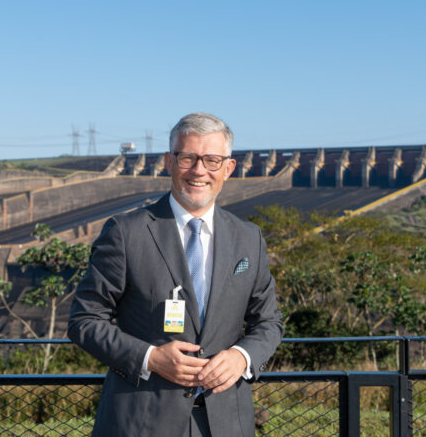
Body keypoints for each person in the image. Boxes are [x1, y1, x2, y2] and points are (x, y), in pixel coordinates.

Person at [68, 112, 283, 437]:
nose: (199, 171)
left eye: (211, 160)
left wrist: (241, 357)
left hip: (226, 423)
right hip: (141, 422)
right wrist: (150, 358)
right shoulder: (126, 233)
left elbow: (269, 323)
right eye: (188, 158)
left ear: (228, 168)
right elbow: (84, 320)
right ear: (170, 161)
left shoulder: (248, 238)